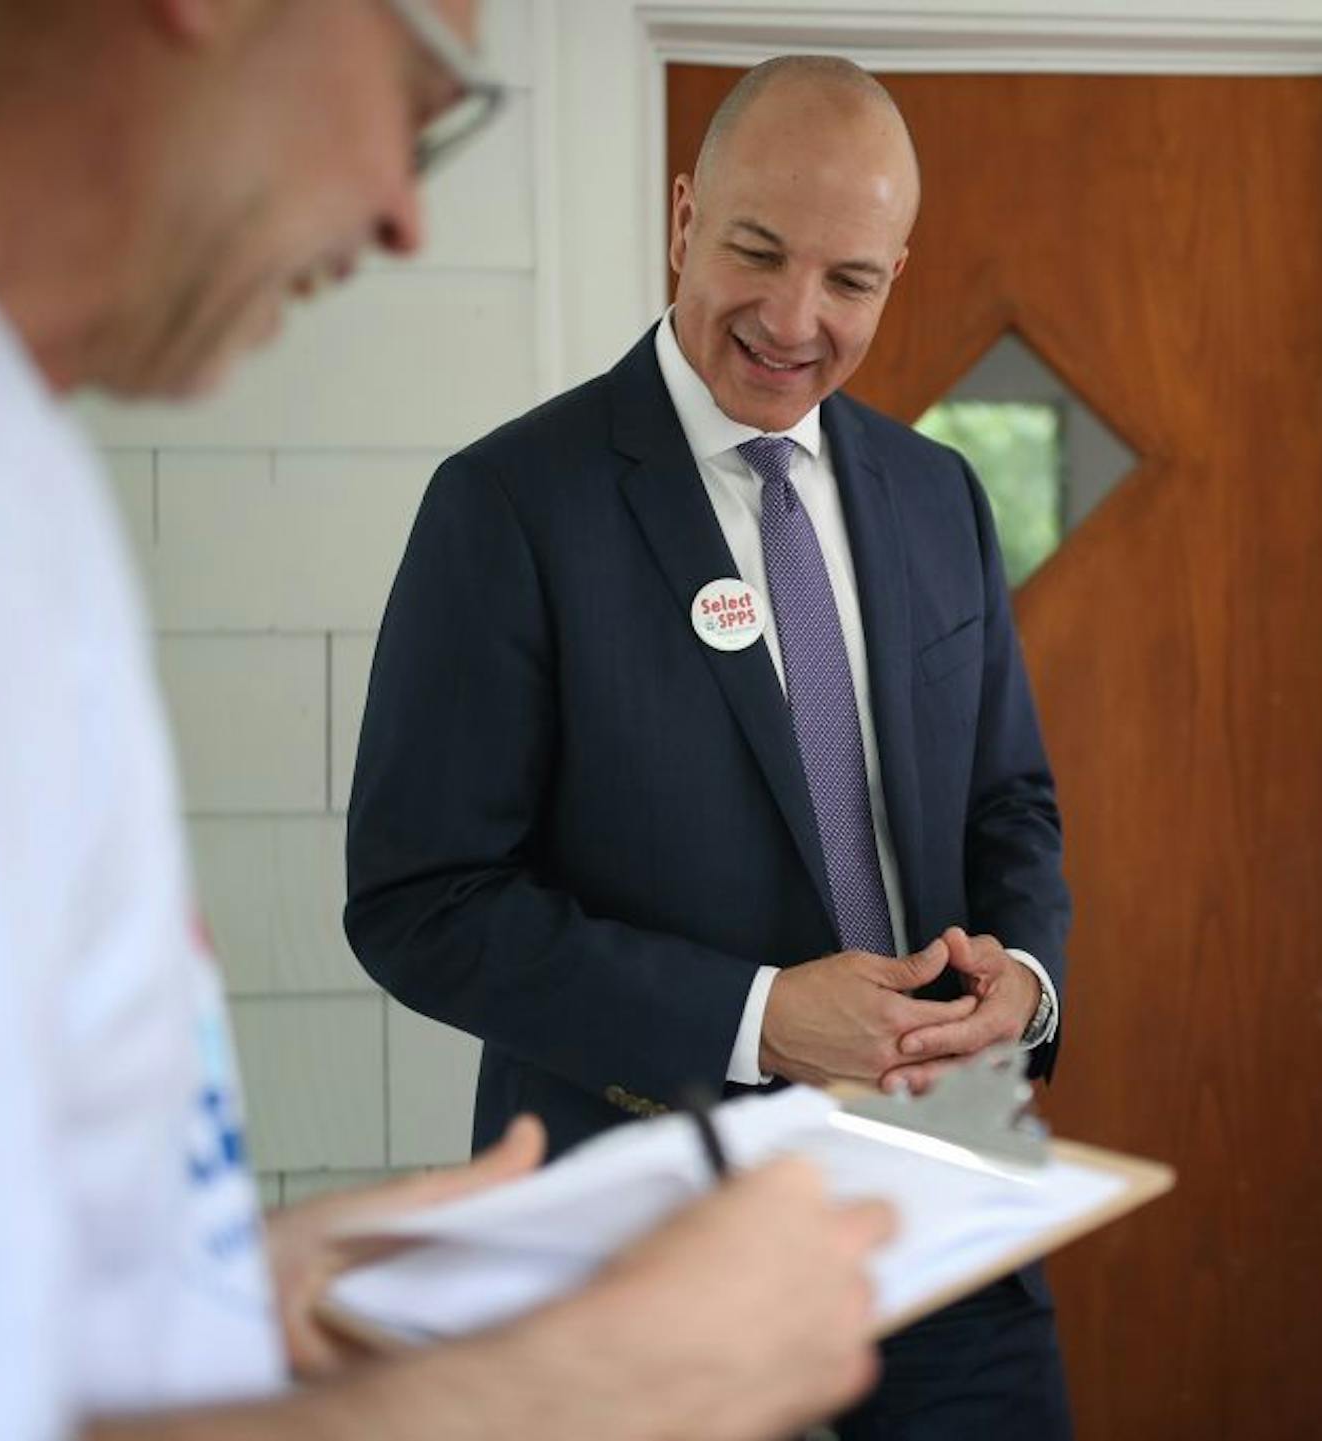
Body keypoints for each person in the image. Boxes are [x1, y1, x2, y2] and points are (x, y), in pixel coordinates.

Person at [0, 3, 891, 1439]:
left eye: (851, 276)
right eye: (416, 89)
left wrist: (204, 1293)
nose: (403, 213)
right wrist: (591, 1381)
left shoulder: (2, 452)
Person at [344, 54, 1075, 1439]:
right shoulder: (508, 504)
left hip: (947, 1219)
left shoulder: (939, 496)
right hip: (639, 1259)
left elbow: (1010, 803)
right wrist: (756, 1016)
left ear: (897, 274)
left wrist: (1025, 984)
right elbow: (419, 903)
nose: (794, 320)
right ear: (684, 218)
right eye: (756, 251)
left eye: (848, 280)